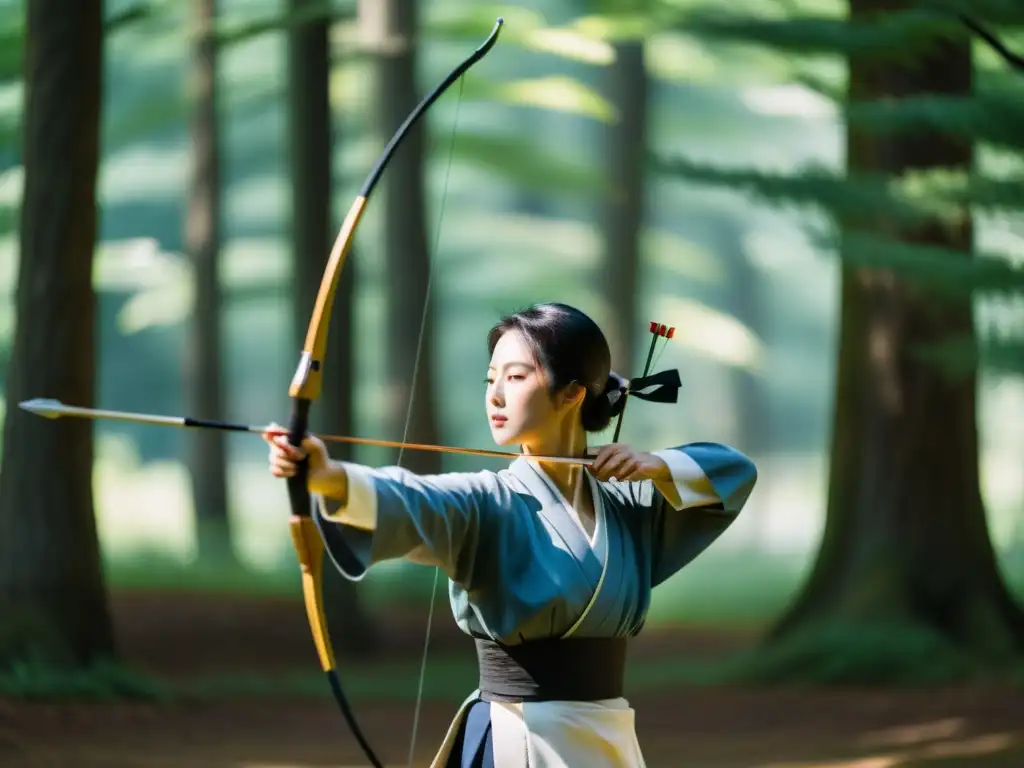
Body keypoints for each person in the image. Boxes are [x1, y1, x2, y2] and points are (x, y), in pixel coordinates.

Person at [264, 302, 757, 768]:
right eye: (490, 379)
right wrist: (326, 476)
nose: (495, 395)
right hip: (517, 736)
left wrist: (659, 466)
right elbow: (416, 498)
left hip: (610, 734)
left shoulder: (628, 506)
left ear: (572, 392)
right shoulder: (490, 503)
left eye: (516, 377)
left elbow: (734, 473)